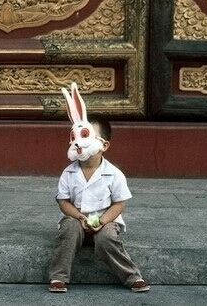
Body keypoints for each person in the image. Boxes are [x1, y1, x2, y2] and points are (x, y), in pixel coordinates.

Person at [47, 83, 148, 294]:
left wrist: (102, 221)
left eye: (86, 136)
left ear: (104, 145)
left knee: (107, 238)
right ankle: (58, 277)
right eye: (74, 138)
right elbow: (63, 202)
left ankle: (132, 276)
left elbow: (119, 204)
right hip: (77, 219)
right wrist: (79, 216)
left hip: (105, 220)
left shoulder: (114, 174)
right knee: (68, 230)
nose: (78, 144)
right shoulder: (69, 173)